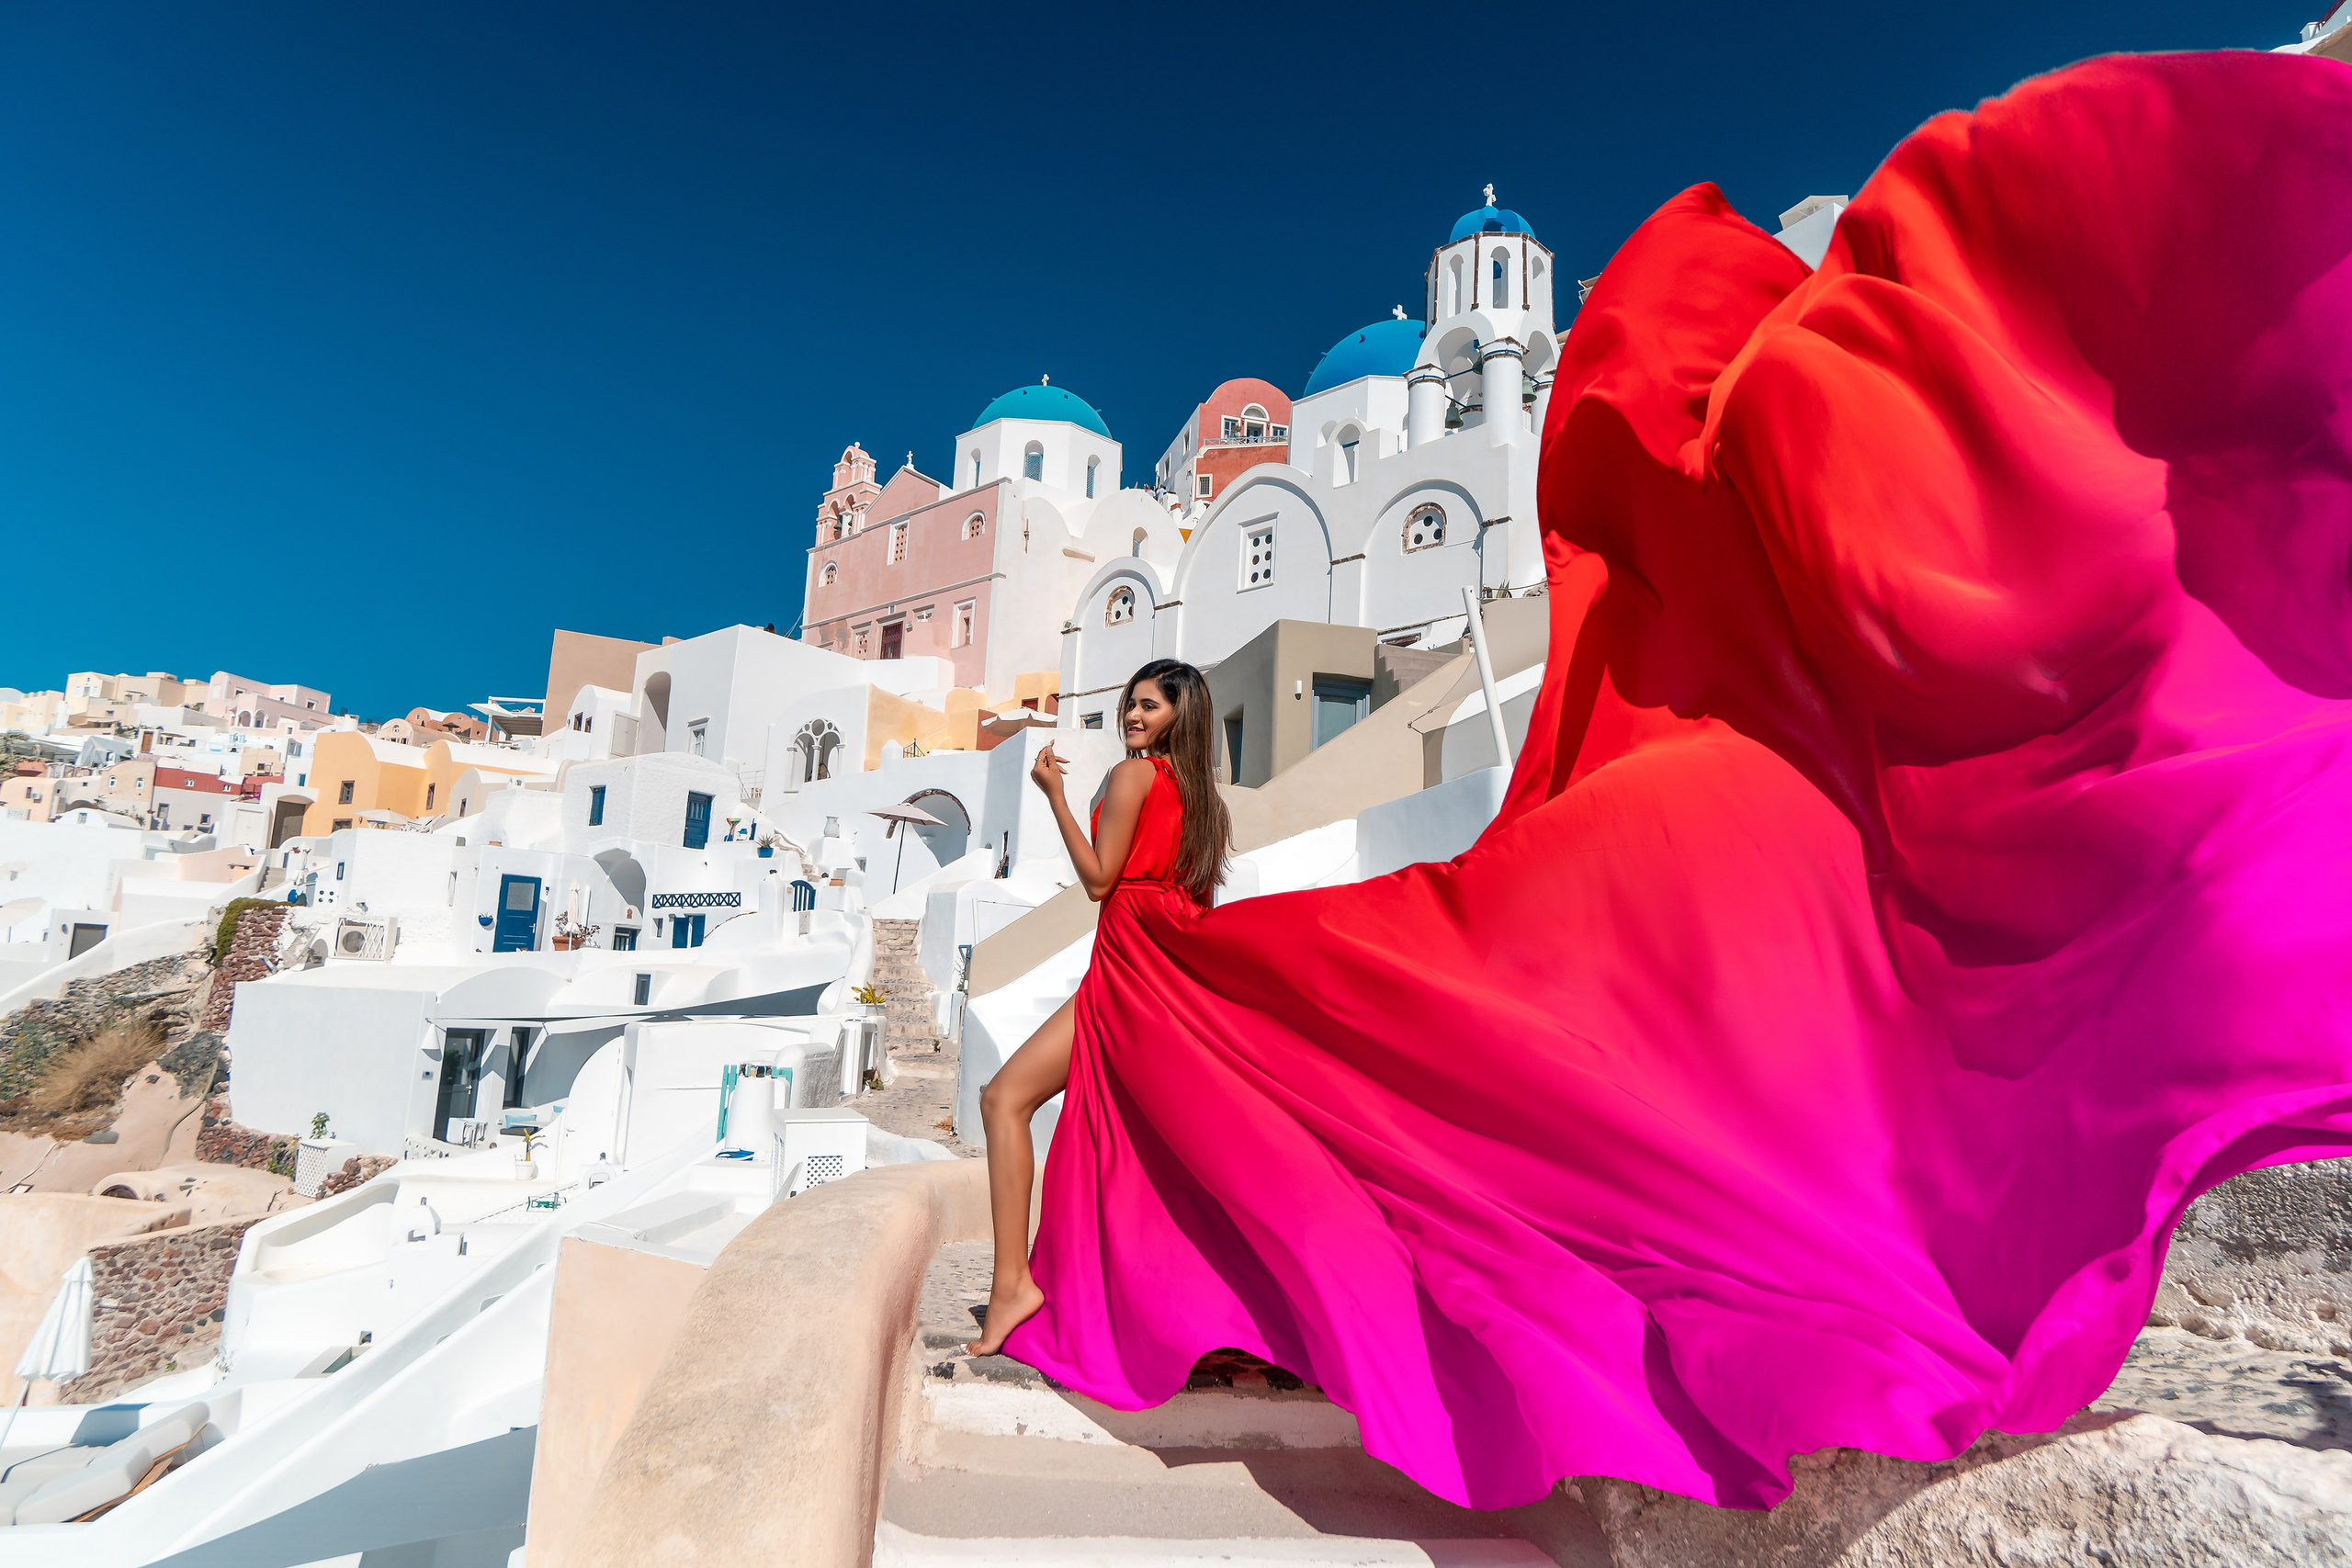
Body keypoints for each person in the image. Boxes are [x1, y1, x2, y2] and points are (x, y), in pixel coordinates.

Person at [965, 658, 1230, 1356]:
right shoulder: (1201, 798)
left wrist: (1054, 795)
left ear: (1182, 714)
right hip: (1164, 972)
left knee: (1002, 1100)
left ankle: (1010, 1285)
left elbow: (1098, 879)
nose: (1134, 717)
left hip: (1126, 966)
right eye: (1130, 704)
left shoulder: (1134, 775)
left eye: (1149, 705)